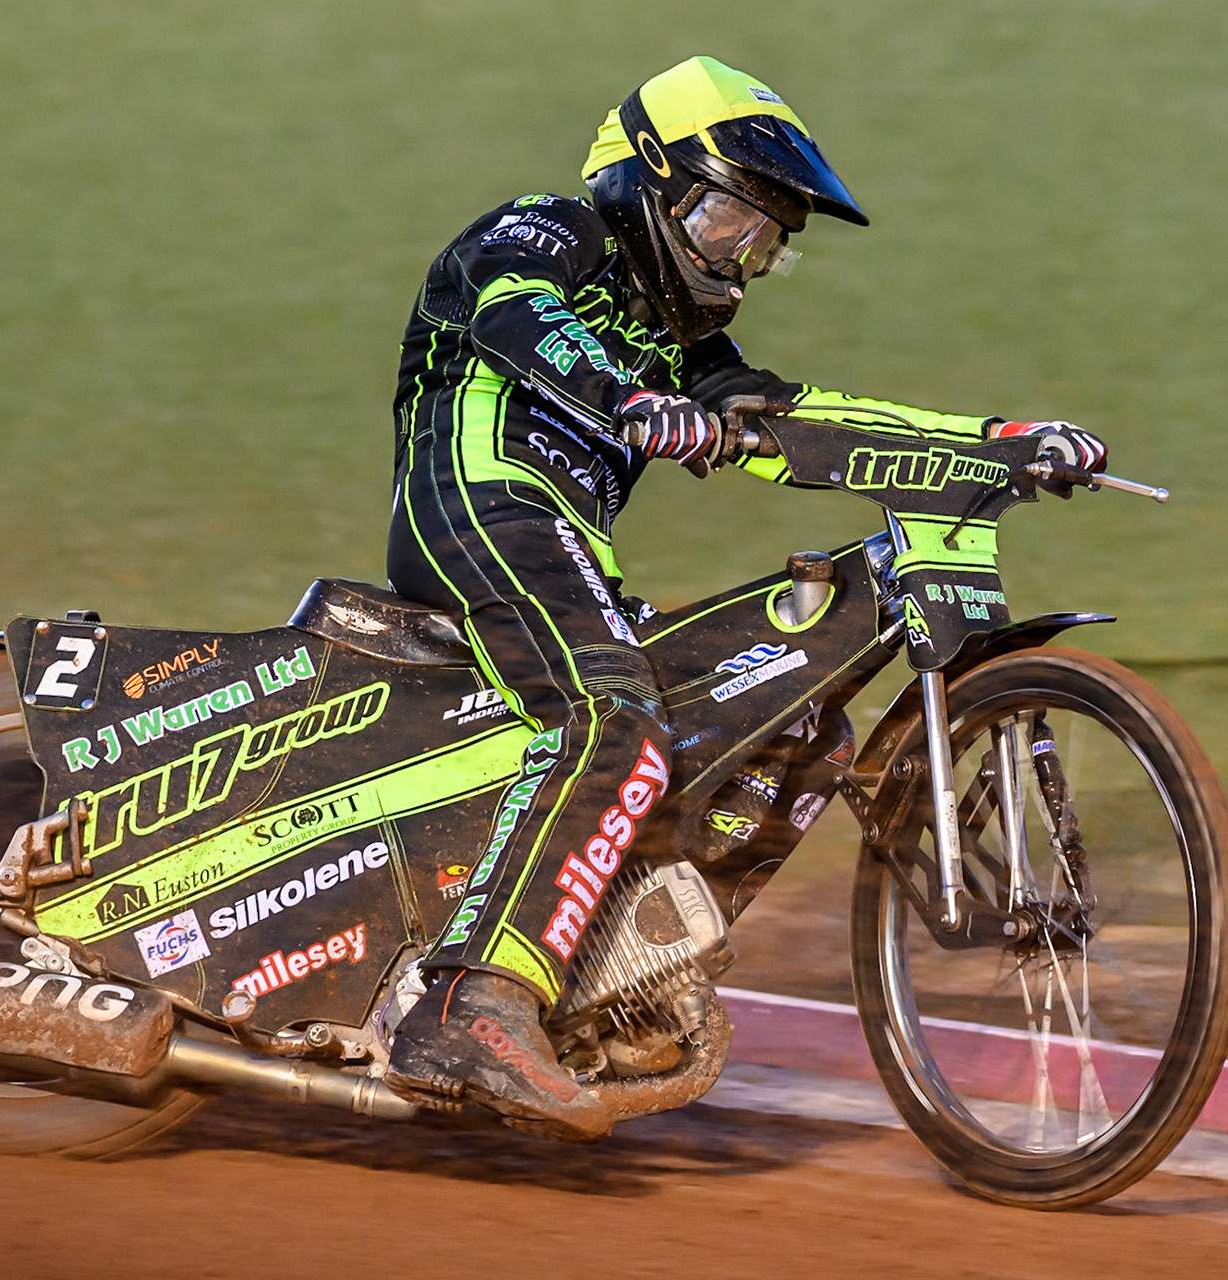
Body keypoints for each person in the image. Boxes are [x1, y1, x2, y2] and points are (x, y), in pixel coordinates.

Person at [382, 56, 1106, 1139]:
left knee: (794, 722)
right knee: (615, 720)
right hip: (481, 506)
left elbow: (807, 426)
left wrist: (999, 444)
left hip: (571, 551)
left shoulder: (693, 350)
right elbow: (513, 315)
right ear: (647, 184)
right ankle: (467, 999)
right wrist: (630, 397)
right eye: (729, 219)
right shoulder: (551, 227)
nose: (746, 257)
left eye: (767, 239)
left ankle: (607, 974)